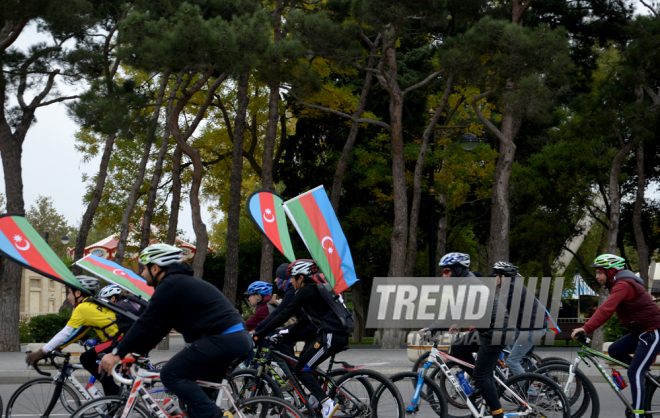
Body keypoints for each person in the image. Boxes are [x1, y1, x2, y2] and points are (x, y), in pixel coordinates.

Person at [99, 244, 252, 418]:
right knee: (196, 408)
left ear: (155, 268)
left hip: (222, 339)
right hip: (233, 339)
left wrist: (117, 353)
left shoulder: (170, 284)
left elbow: (146, 322)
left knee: (170, 374)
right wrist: (135, 353)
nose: (142, 274)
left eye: (144, 268)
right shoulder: (178, 284)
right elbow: (161, 326)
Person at [254, 259, 347, 418]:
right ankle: (315, 399)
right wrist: (286, 332)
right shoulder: (312, 290)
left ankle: (326, 402)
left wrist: (260, 333)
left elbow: (284, 313)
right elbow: (305, 319)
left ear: (301, 277)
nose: (291, 281)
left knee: (301, 369)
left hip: (331, 337)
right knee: (304, 362)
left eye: (293, 277)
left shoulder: (306, 291)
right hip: (329, 335)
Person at [572, 254, 660, 418]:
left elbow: (606, 309)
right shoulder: (618, 284)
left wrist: (586, 328)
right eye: (596, 273)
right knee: (614, 351)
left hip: (653, 331)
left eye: (600, 272)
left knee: (634, 372)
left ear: (611, 271)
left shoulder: (623, 285)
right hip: (640, 333)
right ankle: (645, 374)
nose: (597, 276)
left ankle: (638, 414)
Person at [25, 276, 123, 397]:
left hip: (119, 340)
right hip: (120, 339)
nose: (68, 297)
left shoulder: (83, 307)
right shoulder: (92, 303)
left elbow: (65, 333)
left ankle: (116, 392)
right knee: (101, 370)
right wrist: (58, 347)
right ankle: (112, 402)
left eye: (69, 293)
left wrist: (42, 351)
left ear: (78, 292)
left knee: (86, 358)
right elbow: (77, 333)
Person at [439, 253, 508, 418]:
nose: (444, 275)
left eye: (447, 271)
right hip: (486, 330)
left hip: (496, 331)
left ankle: (497, 414)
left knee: (481, 376)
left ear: (457, 270)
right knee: (458, 348)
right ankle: (482, 380)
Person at [491, 262, 548, 381]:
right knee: (505, 341)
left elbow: (501, 311)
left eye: (495, 275)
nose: (493, 277)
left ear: (503, 276)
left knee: (512, 361)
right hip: (530, 327)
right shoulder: (512, 286)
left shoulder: (511, 288)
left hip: (532, 329)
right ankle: (522, 370)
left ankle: (531, 394)